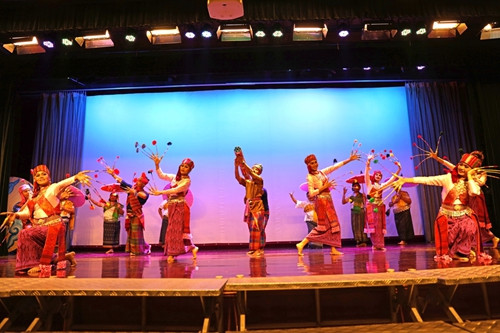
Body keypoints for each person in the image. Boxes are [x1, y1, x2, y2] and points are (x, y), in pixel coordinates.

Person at [393, 152, 486, 262]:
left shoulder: (472, 182)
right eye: (460, 164)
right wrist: (406, 179)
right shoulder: (448, 178)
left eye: (466, 167)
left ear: (472, 170)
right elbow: (428, 179)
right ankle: (455, 252)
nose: (461, 168)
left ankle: (460, 252)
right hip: (447, 215)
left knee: (469, 226)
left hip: (463, 214)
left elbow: (474, 192)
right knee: (449, 237)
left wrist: (470, 176)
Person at [4, 165, 89, 277]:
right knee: (24, 233)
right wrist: (15, 215)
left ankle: (39, 264)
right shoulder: (33, 197)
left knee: (27, 233)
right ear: (35, 179)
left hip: (54, 225)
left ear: (49, 177)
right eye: (37, 175)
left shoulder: (52, 188)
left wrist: (76, 177)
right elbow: (28, 214)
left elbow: (61, 184)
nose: (41, 177)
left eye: (44, 174)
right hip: (40, 227)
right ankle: (56, 258)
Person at [429, 150, 499, 249]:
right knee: (468, 222)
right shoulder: (465, 170)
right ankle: (469, 245)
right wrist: (437, 158)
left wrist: (472, 177)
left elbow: (480, 184)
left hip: (475, 198)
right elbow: (453, 166)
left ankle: (487, 239)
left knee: (476, 223)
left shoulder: (481, 173)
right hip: (466, 197)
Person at [296, 152, 360, 256]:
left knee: (334, 224)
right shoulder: (310, 177)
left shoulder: (321, 173)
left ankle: (333, 248)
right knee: (322, 226)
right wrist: (325, 186)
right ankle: (302, 243)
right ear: (309, 165)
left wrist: (349, 159)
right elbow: (312, 193)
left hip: (328, 201)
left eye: (316, 162)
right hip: (321, 201)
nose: (315, 164)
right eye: (312, 163)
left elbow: (334, 167)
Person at [150, 155, 198, 263]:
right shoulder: (174, 177)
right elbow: (161, 175)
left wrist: (161, 192)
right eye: (182, 166)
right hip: (172, 206)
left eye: (186, 167)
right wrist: (157, 164)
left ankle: (172, 253)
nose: (183, 168)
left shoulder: (186, 181)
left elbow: (175, 190)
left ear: (189, 170)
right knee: (173, 230)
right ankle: (192, 248)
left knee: (174, 230)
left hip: (180, 206)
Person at [106, 167, 151, 256]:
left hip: (137, 215)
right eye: (137, 180)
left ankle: (137, 251)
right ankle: (145, 247)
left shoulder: (145, 193)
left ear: (142, 184)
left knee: (136, 234)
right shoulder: (131, 188)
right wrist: (113, 174)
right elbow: (121, 181)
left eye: (139, 181)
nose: (137, 182)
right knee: (131, 233)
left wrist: (133, 192)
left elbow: (143, 196)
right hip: (129, 214)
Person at [364, 155, 402, 251]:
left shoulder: (382, 186)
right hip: (371, 206)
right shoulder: (369, 184)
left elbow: (392, 179)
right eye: (376, 175)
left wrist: (399, 168)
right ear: (374, 176)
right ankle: (374, 244)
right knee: (374, 226)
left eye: (380, 175)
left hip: (379, 206)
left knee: (380, 226)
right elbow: (366, 174)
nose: (378, 176)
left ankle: (380, 245)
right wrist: (368, 162)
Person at [234, 150, 267, 257]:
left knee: (256, 227)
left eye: (257, 169)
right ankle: (254, 249)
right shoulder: (249, 182)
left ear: (259, 172)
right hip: (249, 206)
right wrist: (236, 166)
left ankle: (258, 249)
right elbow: (238, 178)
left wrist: (242, 162)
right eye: (254, 168)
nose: (254, 170)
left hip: (258, 206)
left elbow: (249, 173)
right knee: (251, 228)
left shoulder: (259, 180)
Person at [341, 180, 368, 247]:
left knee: (361, 226)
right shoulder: (352, 197)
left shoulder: (362, 195)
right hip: (354, 212)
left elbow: (365, 204)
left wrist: (365, 197)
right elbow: (343, 202)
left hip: (361, 211)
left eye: (357, 186)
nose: (355, 187)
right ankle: (358, 241)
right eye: (354, 186)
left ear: (359, 187)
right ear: (352, 187)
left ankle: (363, 240)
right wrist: (344, 193)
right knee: (355, 226)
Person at [58, 187, 76, 251]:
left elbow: (72, 211)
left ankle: (63, 250)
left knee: (63, 236)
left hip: (65, 219)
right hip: (56, 219)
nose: (67, 195)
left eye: (68, 194)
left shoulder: (70, 202)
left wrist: (64, 208)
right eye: (65, 193)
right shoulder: (57, 201)